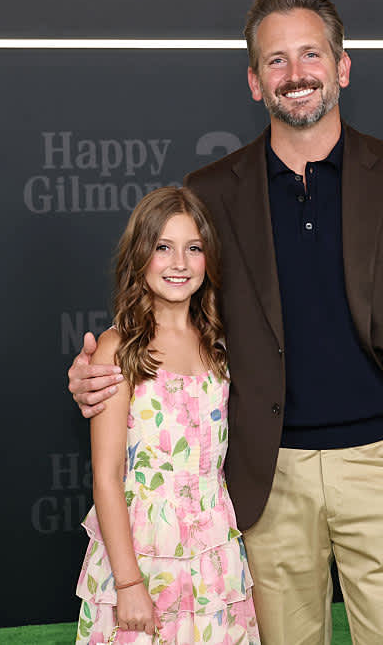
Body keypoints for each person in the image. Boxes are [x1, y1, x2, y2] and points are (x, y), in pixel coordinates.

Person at [69, 0, 383, 645]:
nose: (296, 74)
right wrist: (98, 368)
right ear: (255, 82)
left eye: (310, 55)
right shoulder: (211, 192)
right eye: (276, 61)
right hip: (266, 479)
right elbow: (179, 318)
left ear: (341, 67)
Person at [73, 186, 260, 644]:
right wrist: (128, 582)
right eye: (163, 248)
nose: (179, 263)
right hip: (142, 553)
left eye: (193, 248)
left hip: (216, 552)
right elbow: (107, 480)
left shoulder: (219, 344)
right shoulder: (119, 348)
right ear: (140, 256)